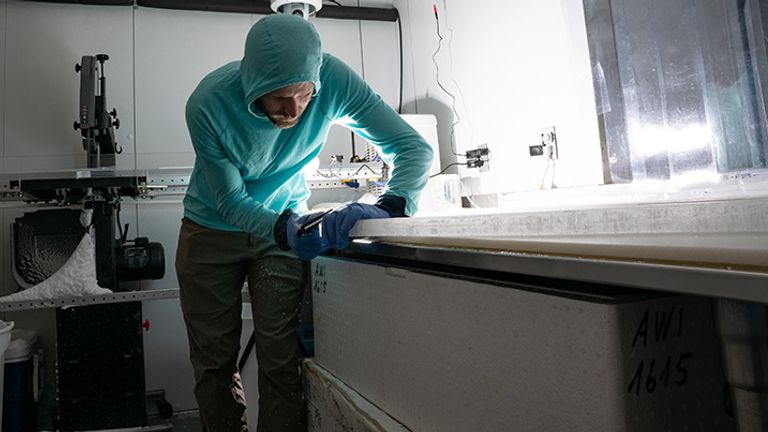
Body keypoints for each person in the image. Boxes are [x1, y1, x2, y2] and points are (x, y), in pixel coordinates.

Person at [175, 14, 433, 432]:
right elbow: (230, 200)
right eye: (279, 98)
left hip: (286, 223)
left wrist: (390, 206)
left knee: (281, 356)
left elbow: (412, 148)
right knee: (213, 362)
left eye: (304, 95)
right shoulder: (208, 103)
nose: (293, 109)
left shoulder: (333, 80)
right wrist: (284, 229)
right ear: (251, 83)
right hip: (212, 229)